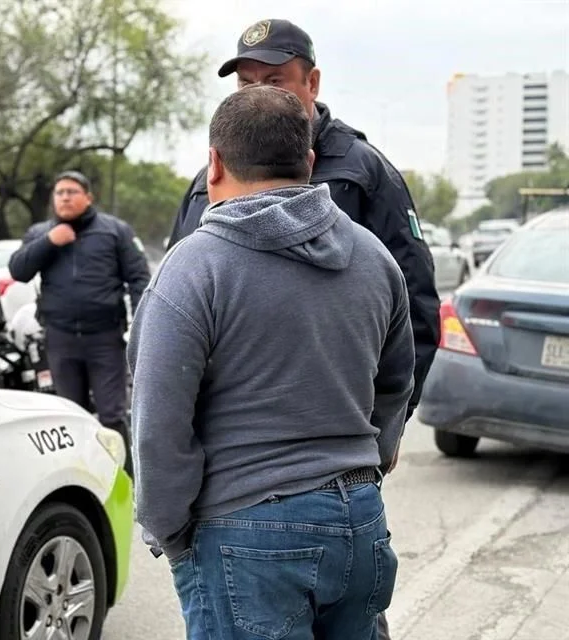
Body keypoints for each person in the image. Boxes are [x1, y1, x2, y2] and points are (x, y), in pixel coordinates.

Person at [127, 85, 415, 639]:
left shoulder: (193, 268)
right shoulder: (375, 258)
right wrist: (364, 468)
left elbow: (158, 425)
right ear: (308, 162)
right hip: (359, 522)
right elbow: (396, 384)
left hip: (245, 532)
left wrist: (170, 534)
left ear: (214, 163)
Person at [167, 18, 439, 426]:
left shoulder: (362, 172)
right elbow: (174, 298)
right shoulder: (210, 179)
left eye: (275, 81)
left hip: (332, 424)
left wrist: (391, 423)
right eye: (246, 84)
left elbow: (413, 302)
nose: (259, 96)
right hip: (229, 426)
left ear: (312, 83)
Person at [8, 170, 150, 476]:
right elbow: (18, 270)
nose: (65, 197)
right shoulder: (41, 233)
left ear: (88, 197)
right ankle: (83, 478)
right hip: (60, 338)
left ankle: (124, 478)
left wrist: (141, 324)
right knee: (71, 414)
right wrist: (49, 241)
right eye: (59, 193)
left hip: (105, 337)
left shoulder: (114, 231)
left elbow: (139, 278)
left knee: (112, 414)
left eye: (72, 191)